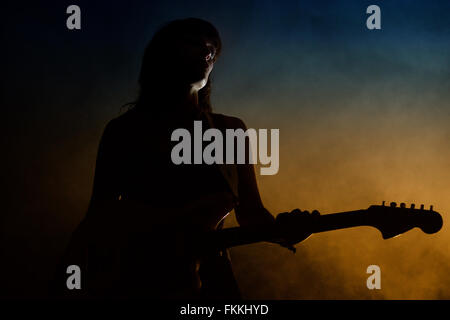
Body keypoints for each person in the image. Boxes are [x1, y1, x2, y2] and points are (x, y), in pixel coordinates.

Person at [55, 18, 316, 299]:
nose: (207, 53)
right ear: (164, 52)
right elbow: (99, 218)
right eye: (196, 43)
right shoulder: (125, 130)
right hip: (139, 279)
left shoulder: (230, 130)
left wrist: (285, 233)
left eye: (212, 50)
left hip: (212, 282)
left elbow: (251, 214)